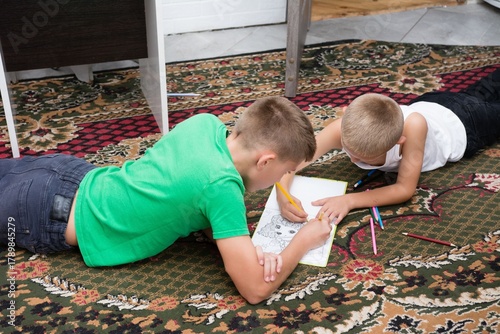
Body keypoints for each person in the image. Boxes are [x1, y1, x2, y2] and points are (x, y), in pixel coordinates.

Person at [0, 96, 333, 305]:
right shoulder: (222, 190)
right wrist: (302, 242)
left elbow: (187, 194)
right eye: (284, 172)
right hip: (45, 212)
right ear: (265, 161)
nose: (279, 181)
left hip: (65, 171)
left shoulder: (205, 124)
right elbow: (255, 289)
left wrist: (242, 247)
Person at [277, 69, 500, 225]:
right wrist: (282, 191)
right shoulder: (341, 128)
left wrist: (350, 200)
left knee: (487, 104)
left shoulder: (414, 127)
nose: (354, 161)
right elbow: (296, 159)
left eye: (364, 157)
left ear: (398, 142)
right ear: (344, 115)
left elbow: (404, 189)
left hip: (469, 124)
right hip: (436, 101)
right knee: (484, 89)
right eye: (348, 151)